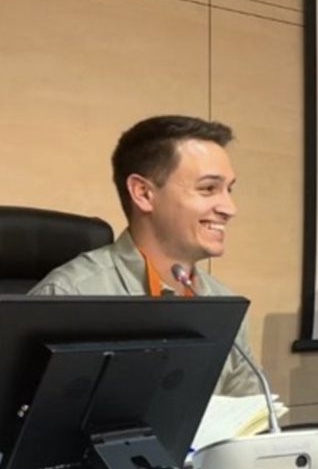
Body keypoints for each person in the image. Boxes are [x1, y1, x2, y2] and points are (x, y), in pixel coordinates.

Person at [30, 115, 260, 397]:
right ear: (143, 194)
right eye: (208, 188)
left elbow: (253, 419)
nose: (229, 207)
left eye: (229, 189)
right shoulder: (69, 296)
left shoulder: (224, 304)